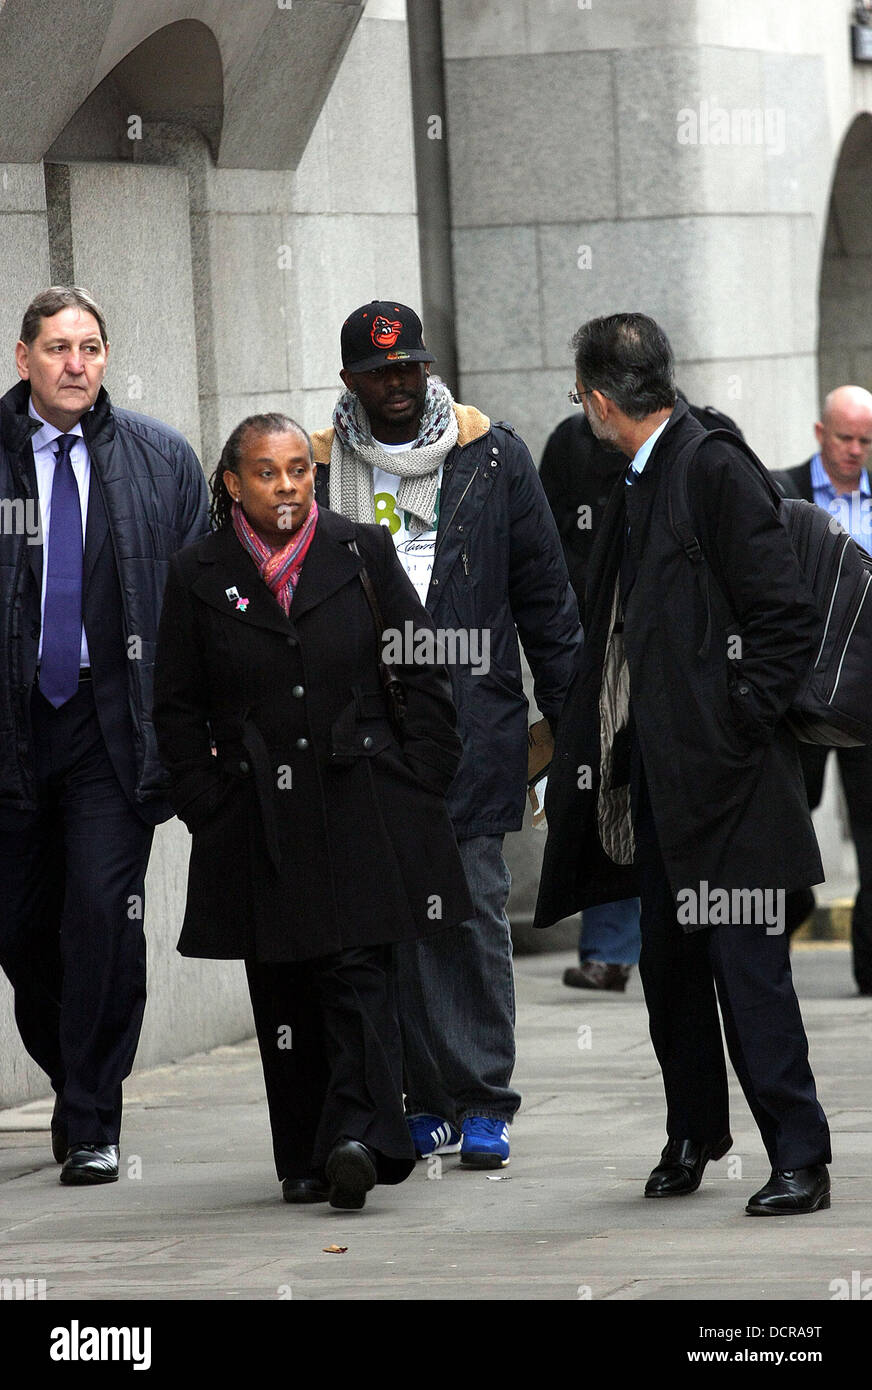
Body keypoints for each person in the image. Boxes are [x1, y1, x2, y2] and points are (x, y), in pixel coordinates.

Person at [535, 312, 832, 1216]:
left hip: (733, 788)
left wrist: (733, 726)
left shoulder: (712, 466)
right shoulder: (639, 471)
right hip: (661, 785)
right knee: (670, 975)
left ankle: (801, 1160)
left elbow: (783, 620)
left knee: (750, 976)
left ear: (596, 397)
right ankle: (695, 1132)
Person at [152, 413, 473, 1210]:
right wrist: (203, 801)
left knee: (360, 970)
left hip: (363, 800)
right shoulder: (198, 571)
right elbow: (175, 705)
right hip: (256, 814)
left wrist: (421, 775)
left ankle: (361, 1137)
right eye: (268, 472)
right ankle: (303, 1152)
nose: (289, 485)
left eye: (299, 468)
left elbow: (420, 662)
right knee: (285, 981)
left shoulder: (358, 551)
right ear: (232, 483)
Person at [312, 301, 581, 1168]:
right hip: (361, 730)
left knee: (467, 906)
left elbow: (545, 595)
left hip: (472, 720)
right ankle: (421, 1097)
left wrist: (571, 723)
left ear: (427, 371)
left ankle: (482, 1099)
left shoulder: (491, 456)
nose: (398, 384)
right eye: (380, 371)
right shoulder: (314, 471)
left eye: (410, 368)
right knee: (389, 917)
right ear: (349, 380)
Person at [0, 285, 208, 1185]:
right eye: (57, 348)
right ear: (23, 359)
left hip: (111, 727)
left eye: (90, 347)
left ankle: (92, 1115)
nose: (75, 364)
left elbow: (206, 605)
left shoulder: (159, 459)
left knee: (101, 918)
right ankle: (71, 1069)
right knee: (21, 931)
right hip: (11, 731)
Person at [540, 396, 741, 993]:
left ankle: (700, 930)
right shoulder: (572, 446)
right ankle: (610, 949)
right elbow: (547, 552)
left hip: (683, 662)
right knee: (611, 788)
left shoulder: (707, 441)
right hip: (599, 654)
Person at [774, 386, 872, 995]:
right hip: (799, 688)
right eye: (845, 437)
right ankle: (784, 910)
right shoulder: (779, 489)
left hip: (865, 692)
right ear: (819, 432)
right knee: (782, 812)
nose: (855, 451)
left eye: (866, 441)